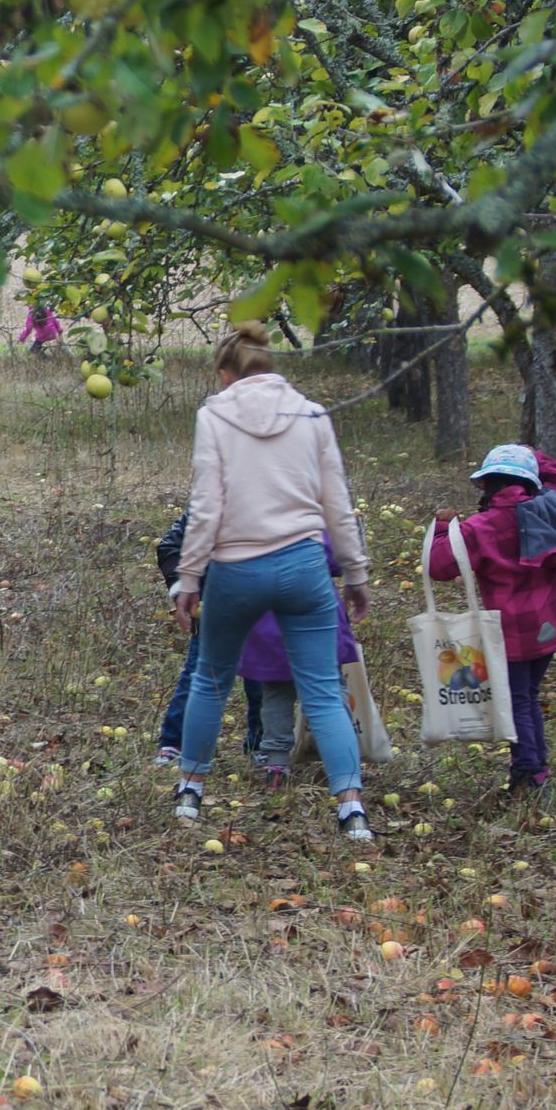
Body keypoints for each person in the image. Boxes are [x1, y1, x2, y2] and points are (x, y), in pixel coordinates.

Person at [170, 322, 375, 841]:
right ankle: (351, 808)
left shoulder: (214, 415)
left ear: (225, 372)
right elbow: (338, 503)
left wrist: (190, 576)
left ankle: (190, 791)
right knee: (323, 691)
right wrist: (355, 572)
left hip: (236, 571)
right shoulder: (311, 414)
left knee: (211, 680)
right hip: (305, 567)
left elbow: (206, 505)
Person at [427, 444, 556, 796]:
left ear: (488, 483)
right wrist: (539, 458)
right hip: (551, 624)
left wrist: (444, 527)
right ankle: (537, 768)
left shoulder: (478, 528)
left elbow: (439, 566)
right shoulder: (553, 507)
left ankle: (528, 773)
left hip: (510, 633)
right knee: (528, 695)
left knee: (518, 699)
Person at [236, 533, 360, 788]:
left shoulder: (249, 523)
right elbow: (336, 559)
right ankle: (341, 756)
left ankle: (277, 762)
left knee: (276, 694)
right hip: (314, 620)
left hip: (267, 622)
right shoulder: (311, 521)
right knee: (328, 690)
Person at [153, 507, 261, 764]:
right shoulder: (212, 499)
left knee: (262, 678)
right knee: (200, 676)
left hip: (263, 607)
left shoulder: (284, 499)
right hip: (216, 604)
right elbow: (170, 545)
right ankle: (174, 742)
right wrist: (183, 587)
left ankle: (262, 744)